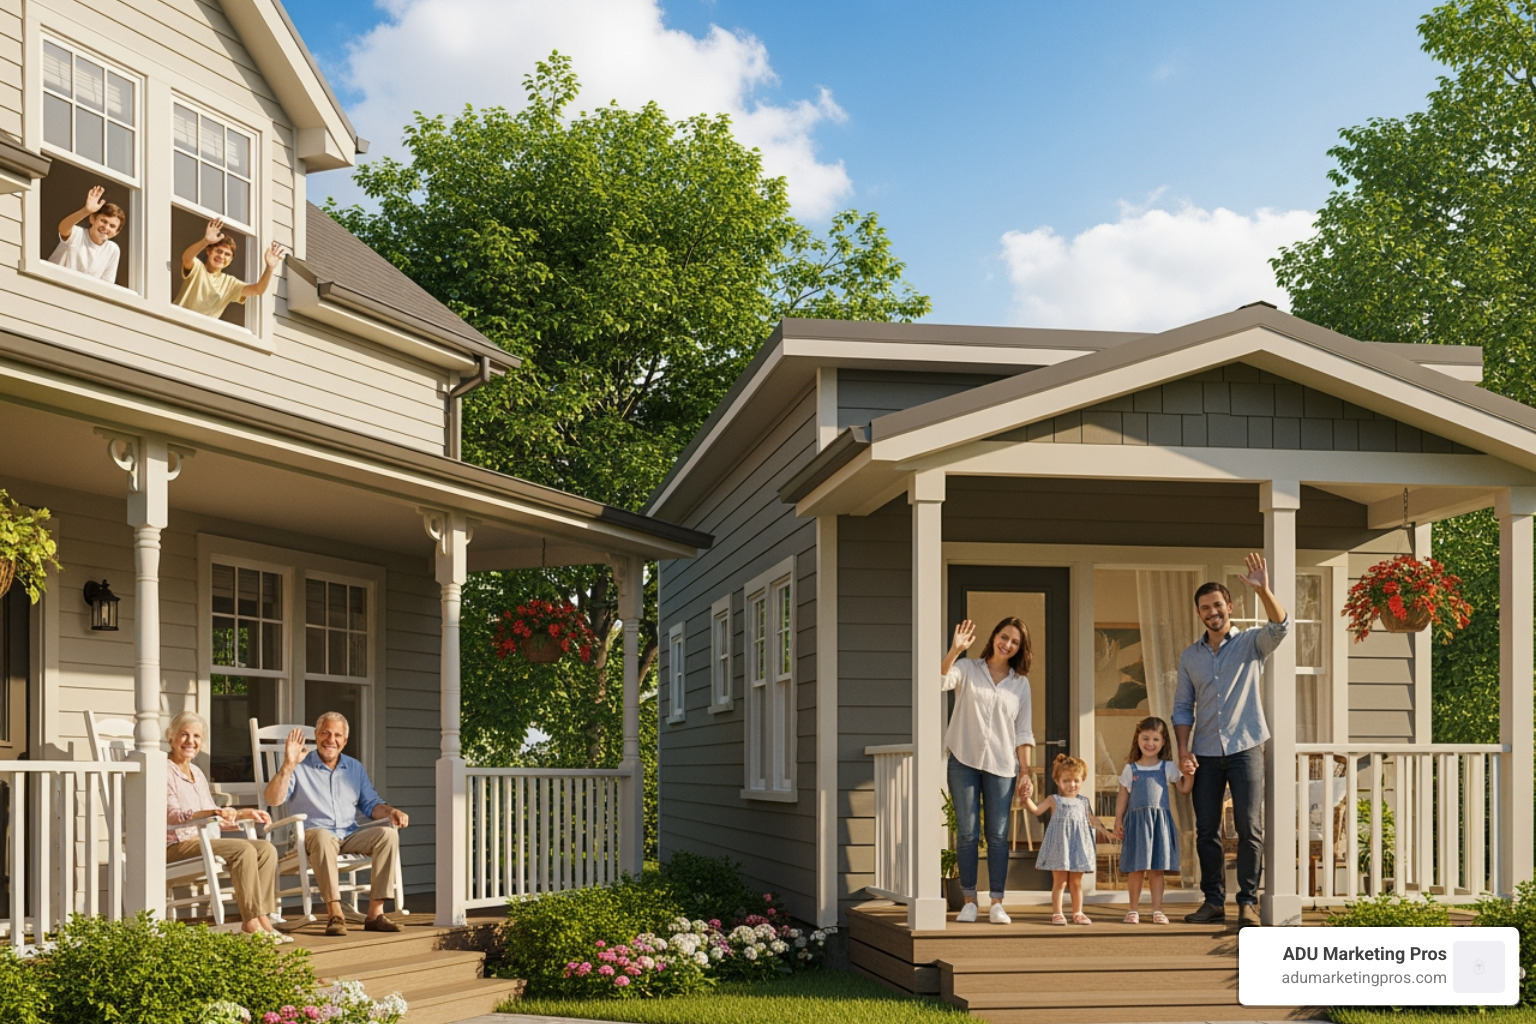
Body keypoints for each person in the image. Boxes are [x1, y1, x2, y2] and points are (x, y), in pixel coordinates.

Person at [1172, 551, 1289, 927]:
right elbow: (1182, 708)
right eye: (1205, 607)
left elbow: (1280, 626)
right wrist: (1183, 751)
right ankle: (1213, 901)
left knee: (1249, 828)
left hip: (1246, 747)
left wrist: (1264, 590)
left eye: (1218, 605)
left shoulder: (1252, 643)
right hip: (1205, 752)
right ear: (1199, 613)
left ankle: (1247, 902)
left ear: (1230, 606)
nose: (1213, 612)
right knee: (1206, 830)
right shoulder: (1190, 657)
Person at [262, 712, 408, 936]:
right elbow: (272, 799)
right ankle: (335, 914)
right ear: (316, 735)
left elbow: (371, 805)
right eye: (325, 733)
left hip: (349, 835)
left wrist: (392, 811)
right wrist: (288, 764)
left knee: (387, 835)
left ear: (345, 740)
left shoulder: (354, 768)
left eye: (337, 735)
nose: (331, 740)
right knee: (322, 836)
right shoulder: (299, 765)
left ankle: (375, 914)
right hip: (313, 835)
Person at [941, 617, 1036, 925]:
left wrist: (1025, 772)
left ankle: (997, 902)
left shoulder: (1020, 684)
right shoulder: (968, 668)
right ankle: (969, 901)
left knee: (997, 836)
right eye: (1004, 636)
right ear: (994, 636)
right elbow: (938, 682)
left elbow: (1023, 731)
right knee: (967, 833)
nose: (1007, 644)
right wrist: (955, 650)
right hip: (964, 760)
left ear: (1020, 648)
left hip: (1002, 766)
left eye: (1015, 642)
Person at [163, 710, 288, 942]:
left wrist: (241, 814)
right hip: (176, 845)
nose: (191, 741)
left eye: (197, 736)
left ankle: (263, 918)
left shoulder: (197, 772)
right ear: (171, 737)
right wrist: (213, 813)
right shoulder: (164, 769)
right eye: (184, 734)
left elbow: (212, 815)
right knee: (243, 849)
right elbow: (172, 816)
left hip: (204, 840)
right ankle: (250, 922)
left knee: (265, 849)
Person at [1112, 716, 1193, 924]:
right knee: (1136, 869)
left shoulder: (1167, 767)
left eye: (1156, 739)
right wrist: (1118, 820)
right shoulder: (1131, 769)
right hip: (1137, 825)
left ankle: (1157, 910)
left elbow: (1184, 788)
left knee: (1157, 870)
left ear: (1163, 742)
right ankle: (1133, 909)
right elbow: (1123, 797)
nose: (1150, 743)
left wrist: (1190, 774)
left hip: (1159, 825)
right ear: (1137, 739)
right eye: (1145, 738)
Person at [1023, 753, 1112, 925]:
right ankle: (1057, 913)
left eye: (1076, 780)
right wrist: (1026, 799)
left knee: (1076, 882)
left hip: (1078, 847)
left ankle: (1078, 912)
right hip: (1060, 847)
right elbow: (1036, 810)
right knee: (1060, 882)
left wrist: (1106, 832)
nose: (1072, 785)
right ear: (1057, 781)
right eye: (1066, 781)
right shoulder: (1054, 800)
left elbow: (1092, 820)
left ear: (1082, 780)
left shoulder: (1083, 802)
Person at [174, 216, 284, 319]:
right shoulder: (198, 268)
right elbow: (186, 258)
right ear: (209, 251)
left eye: (227, 254)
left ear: (231, 259)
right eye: (218, 251)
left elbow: (258, 289)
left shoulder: (229, 283)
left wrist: (270, 268)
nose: (221, 256)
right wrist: (206, 241)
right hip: (179, 321)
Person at [48, 185, 124, 284]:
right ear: (92, 219)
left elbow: (107, 283)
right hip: (54, 285)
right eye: (103, 221)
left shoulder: (112, 250)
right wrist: (86, 211)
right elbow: (63, 228)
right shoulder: (77, 234)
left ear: (116, 232)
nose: (106, 227)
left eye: (112, 226)